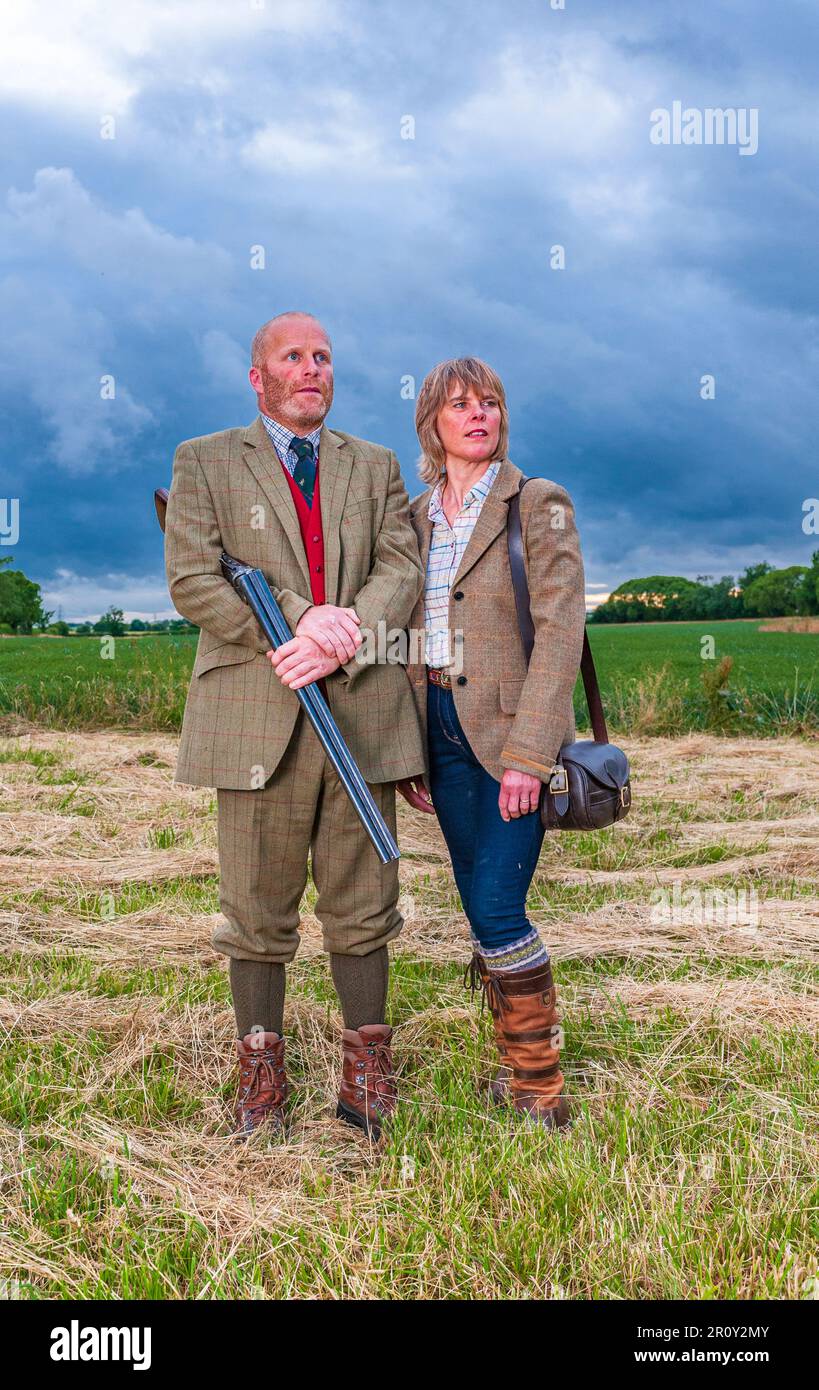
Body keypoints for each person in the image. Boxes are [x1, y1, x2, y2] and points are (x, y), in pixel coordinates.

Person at [164, 311, 426, 1140]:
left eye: (322, 356)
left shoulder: (376, 464)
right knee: (255, 908)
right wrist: (297, 621)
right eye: (292, 356)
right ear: (258, 376)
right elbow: (194, 580)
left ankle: (365, 1067)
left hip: (359, 708)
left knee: (363, 901)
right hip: (257, 709)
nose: (312, 368)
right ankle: (260, 1072)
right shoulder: (204, 460)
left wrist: (344, 629)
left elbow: (401, 564)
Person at [404, 357, 587, 1130]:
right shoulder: (413, 518)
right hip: (438, 729)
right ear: (432, 425)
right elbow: (407, 632)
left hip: (511, 733)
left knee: (496, 906)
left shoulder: (534, 502)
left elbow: (559, 634)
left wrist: (529, 756)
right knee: (476, 905)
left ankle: (541, 1091)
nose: (479, 414)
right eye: (460, 404)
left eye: (490, 403)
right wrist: (408, 748)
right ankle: (516, 1075)